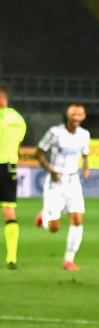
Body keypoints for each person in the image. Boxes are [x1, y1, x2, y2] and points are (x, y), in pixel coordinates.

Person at [35, 103, 90, 271]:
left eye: (79, 114)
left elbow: (85, 154)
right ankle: (45, 215)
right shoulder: (55, 133)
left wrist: (86, 167)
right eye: (73, 114)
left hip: (73, 182)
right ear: (68, 115)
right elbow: (38, 153)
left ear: (83, 117)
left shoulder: (84, 135)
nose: (76, 117)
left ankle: (68, 260)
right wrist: (51, 171)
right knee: (53, 228)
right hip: (55, 183)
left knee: (78, 219)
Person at [0, 83, 27, 270]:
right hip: (10, 168)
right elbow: (18, 142)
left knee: (10, 212)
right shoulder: (18, 118)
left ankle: (11, 257)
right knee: (9, 212)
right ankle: (11, 258)